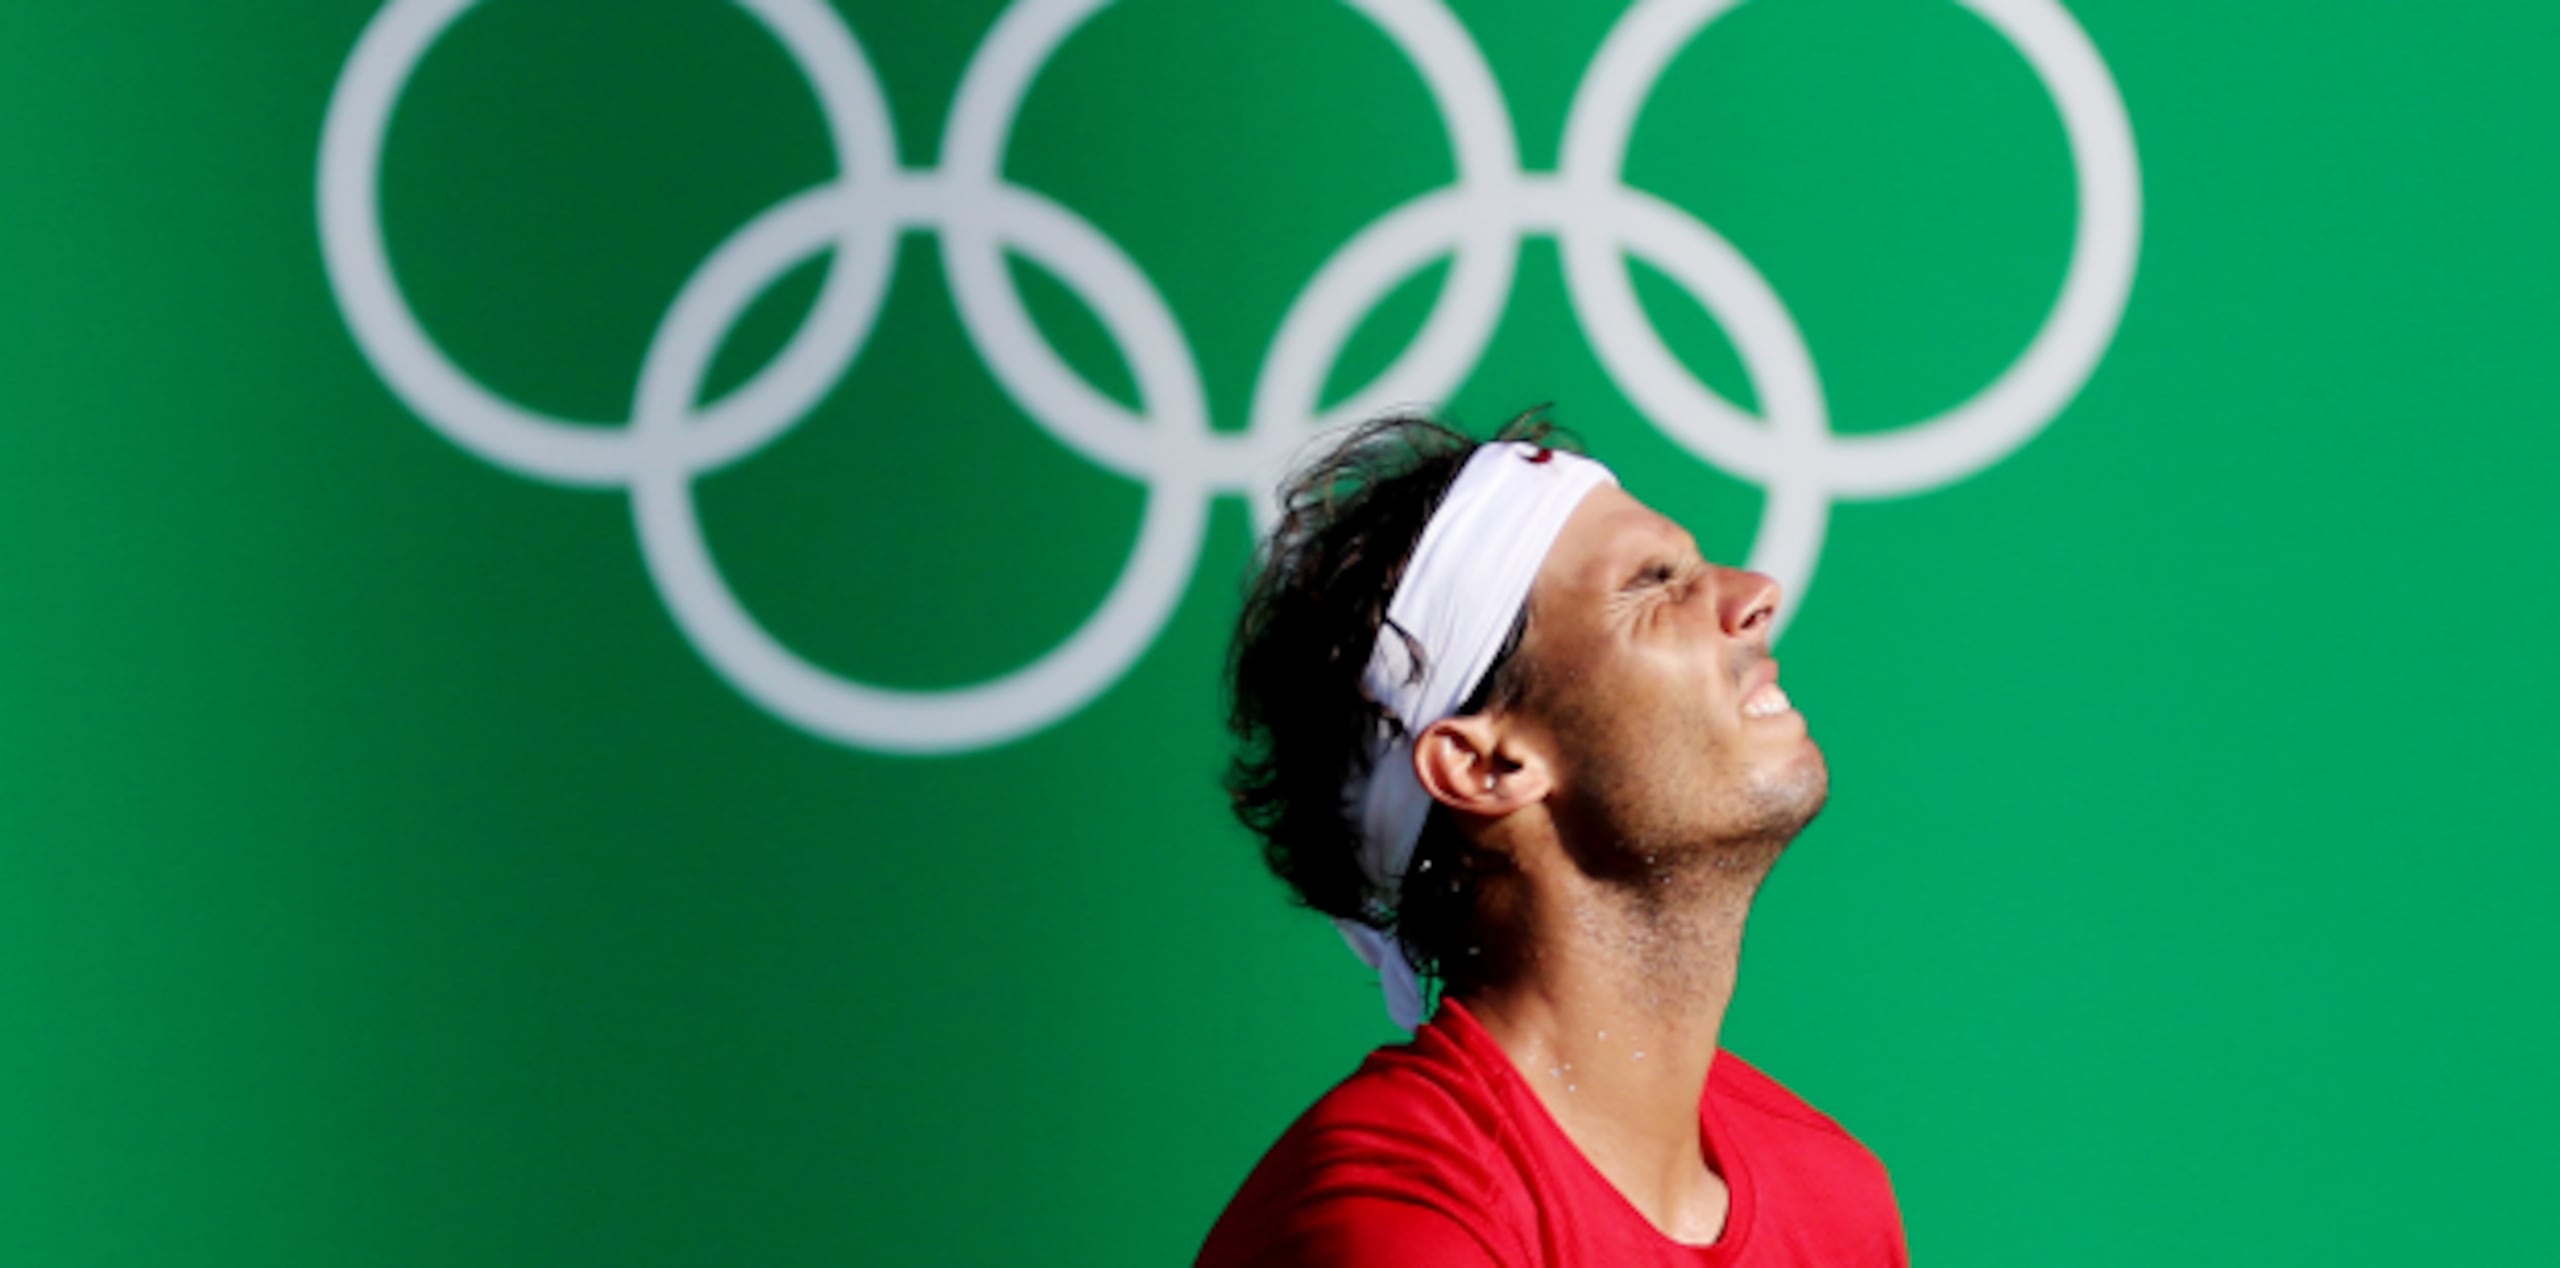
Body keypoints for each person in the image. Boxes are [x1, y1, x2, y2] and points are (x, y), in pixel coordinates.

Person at [1199, 416, 1907, 1266]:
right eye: (1651, 585)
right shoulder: (1402, 1225)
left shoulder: (1836, 1195)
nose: (1753, 592)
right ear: (1487, 765)